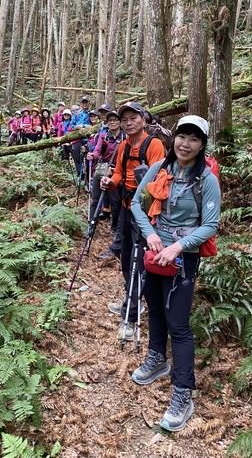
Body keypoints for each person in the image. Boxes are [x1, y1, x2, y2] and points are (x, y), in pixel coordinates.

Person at [130, 115, 221, 433]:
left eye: (194, 139)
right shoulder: (159, 170)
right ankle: (157, 358)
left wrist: (178, 246)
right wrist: (151, 235)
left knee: (179, 325)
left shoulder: (206, 180)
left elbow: (210, 225)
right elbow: (138, 206)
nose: (186, 143)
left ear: (202, 145)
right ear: (175, 138)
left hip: (183, 261)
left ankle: (183, 392)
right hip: (153, 253)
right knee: (154, 308)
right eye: (182, 136)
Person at [100, 102, 165, 340]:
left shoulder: (154, 144)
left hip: (146, 213)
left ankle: (131, 315)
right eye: (124, 119)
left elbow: (160, 178)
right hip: (126, 208)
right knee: (126, 257)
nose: (128, 122)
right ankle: (132, 296)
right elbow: (118, 173)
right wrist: (111, 183)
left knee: (139, 261)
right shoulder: (123, 146)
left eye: (133, 118)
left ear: (144, 120)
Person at [88, 110, 125, 227]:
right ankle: (91, 223)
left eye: (115, 120)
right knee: (95, 197)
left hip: (116, 170)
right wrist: (93, 155)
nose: (112, 122)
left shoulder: (125, 137)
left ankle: (116, 226)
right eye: (110, 120)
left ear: (120, 122)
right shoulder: (103, 136)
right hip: (102, 168)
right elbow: (98, 150)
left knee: (115, 200)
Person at [71, 96, 91, 177]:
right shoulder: (77, 113)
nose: (85, 104)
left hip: (88, 139)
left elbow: (95, 124)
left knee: (87, 158)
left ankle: (88, 175)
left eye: (86, 102)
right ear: (81, 104)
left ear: (89, 103)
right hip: (77, 138)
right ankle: (79, 174)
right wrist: (77, 127)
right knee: (77, 157)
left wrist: (84, 126)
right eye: (83, 102)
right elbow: (72, 126)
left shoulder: (92, 114)